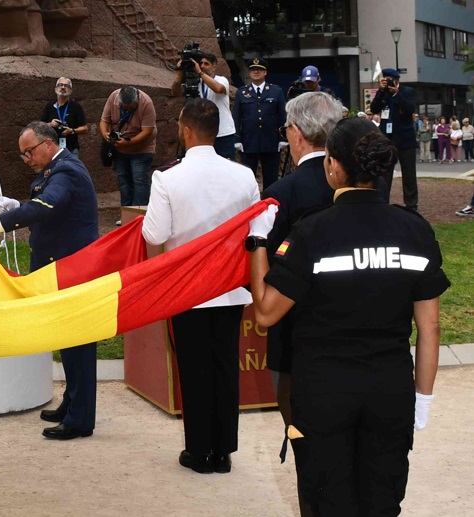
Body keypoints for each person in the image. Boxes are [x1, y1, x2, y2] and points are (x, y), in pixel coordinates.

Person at [248, 117, 449, 515]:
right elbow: (431, 328)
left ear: (332, 165)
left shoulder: (311, 232)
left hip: (324, 392)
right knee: (382, 503)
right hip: (390, 391)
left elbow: (266, 313)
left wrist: (256, 242)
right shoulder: (415, 230)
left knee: (328, 502)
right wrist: (423, 399)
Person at [141, 98, 259, 474]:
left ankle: (199, 450)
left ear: (186, 130)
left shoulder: (167, 178)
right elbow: (258, 231)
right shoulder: (244, 176)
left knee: (193, 369)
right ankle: (223, 451)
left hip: (187, 289)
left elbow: (154, 234)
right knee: (225, 365)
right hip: (230, 286)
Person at [259, 91, 343, 513]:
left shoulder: (281, 191)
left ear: (296, 134)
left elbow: (268, 271)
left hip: (295, 338)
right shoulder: (358, 186)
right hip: (351, 332)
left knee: (307, 450)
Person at [0, 121, 99, 440]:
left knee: (78, 343)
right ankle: (72, 403)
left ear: (48, 144)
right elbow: (49, 209)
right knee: (67, 341)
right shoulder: (56, 169)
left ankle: (80, 420)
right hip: (60, 268)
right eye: (23, 154)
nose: (27, 159)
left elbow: (48, 204)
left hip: (71, 270)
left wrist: (3, 222)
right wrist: (20, 208)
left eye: (30, 152)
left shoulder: (67, 171)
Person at [99, 85, 157, 215]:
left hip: (142, 149)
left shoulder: (146, 103)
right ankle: (127, 216)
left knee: (139, 182)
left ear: (137, 99)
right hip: (120, 150)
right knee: (124, 182)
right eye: (125, 107)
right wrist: (105, 134)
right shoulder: (113, 98)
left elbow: (148, 131)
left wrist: (129, 142)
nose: (128, 109)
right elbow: (104, 121)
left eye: (132, 107)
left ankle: (139, 217)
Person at [233, 58, 288, 190]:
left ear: (265, 72)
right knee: (248, 177)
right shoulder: (242, 93)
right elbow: (236, 117)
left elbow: (282, 115)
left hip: (271, 141)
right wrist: (237, 139)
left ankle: (270, 200)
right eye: (253, 70)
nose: (256, 72)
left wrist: (283, 138)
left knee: (271, 179)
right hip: (249, 141)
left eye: (259, 69)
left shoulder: (276, 91)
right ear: (249, 73)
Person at [369, 68, 418, 210]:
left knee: (409, 174)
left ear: (396, 80)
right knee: (384, 174)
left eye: (390, 79)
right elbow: (374, 108)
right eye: (385, 79)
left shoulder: (407, 91)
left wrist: (396, 94)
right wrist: (380, 92)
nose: (387, 82)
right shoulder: (383, 93)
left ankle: (411, 204)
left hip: (405, 139)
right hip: (387, 139)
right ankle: (383, 203)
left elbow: (410, 109)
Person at [172, 53, 237, 159]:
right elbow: (175, 92)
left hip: (222, 134)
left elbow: (218, 89)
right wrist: (179, 74)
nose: (202, 66)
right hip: (202, 134)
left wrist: (199, 72)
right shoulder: (195, 82)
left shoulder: (221, 79)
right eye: (200, 63)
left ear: (214, 67)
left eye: (206, 64)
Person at [39, 77, 89, 158]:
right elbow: (40, 126)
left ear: (70, 91)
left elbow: (85, 129)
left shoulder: (75, 106)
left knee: (71, 167)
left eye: (66, 86)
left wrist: (72, 131)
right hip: (52, 149)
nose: (63, 87)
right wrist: (50, 124)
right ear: (55, 88)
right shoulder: (49, 106)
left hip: (71, 149)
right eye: (60, 85)